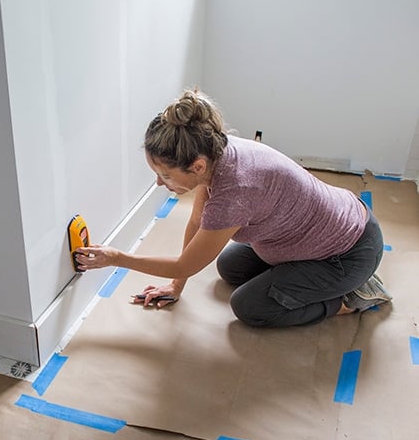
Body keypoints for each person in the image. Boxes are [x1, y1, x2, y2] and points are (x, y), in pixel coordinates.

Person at [75, 88, 392, 327]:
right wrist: (175, 286)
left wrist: (117, 258)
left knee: (250, 308)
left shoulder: (235, 191)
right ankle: (307, 278)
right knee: (230, 267)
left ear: (197, 166)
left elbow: (185, 264)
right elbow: (198, 222)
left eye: (165, 175)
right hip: (322, 231)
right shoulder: (216, 152)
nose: (160, 183)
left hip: (347, 254)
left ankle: (351, 297)